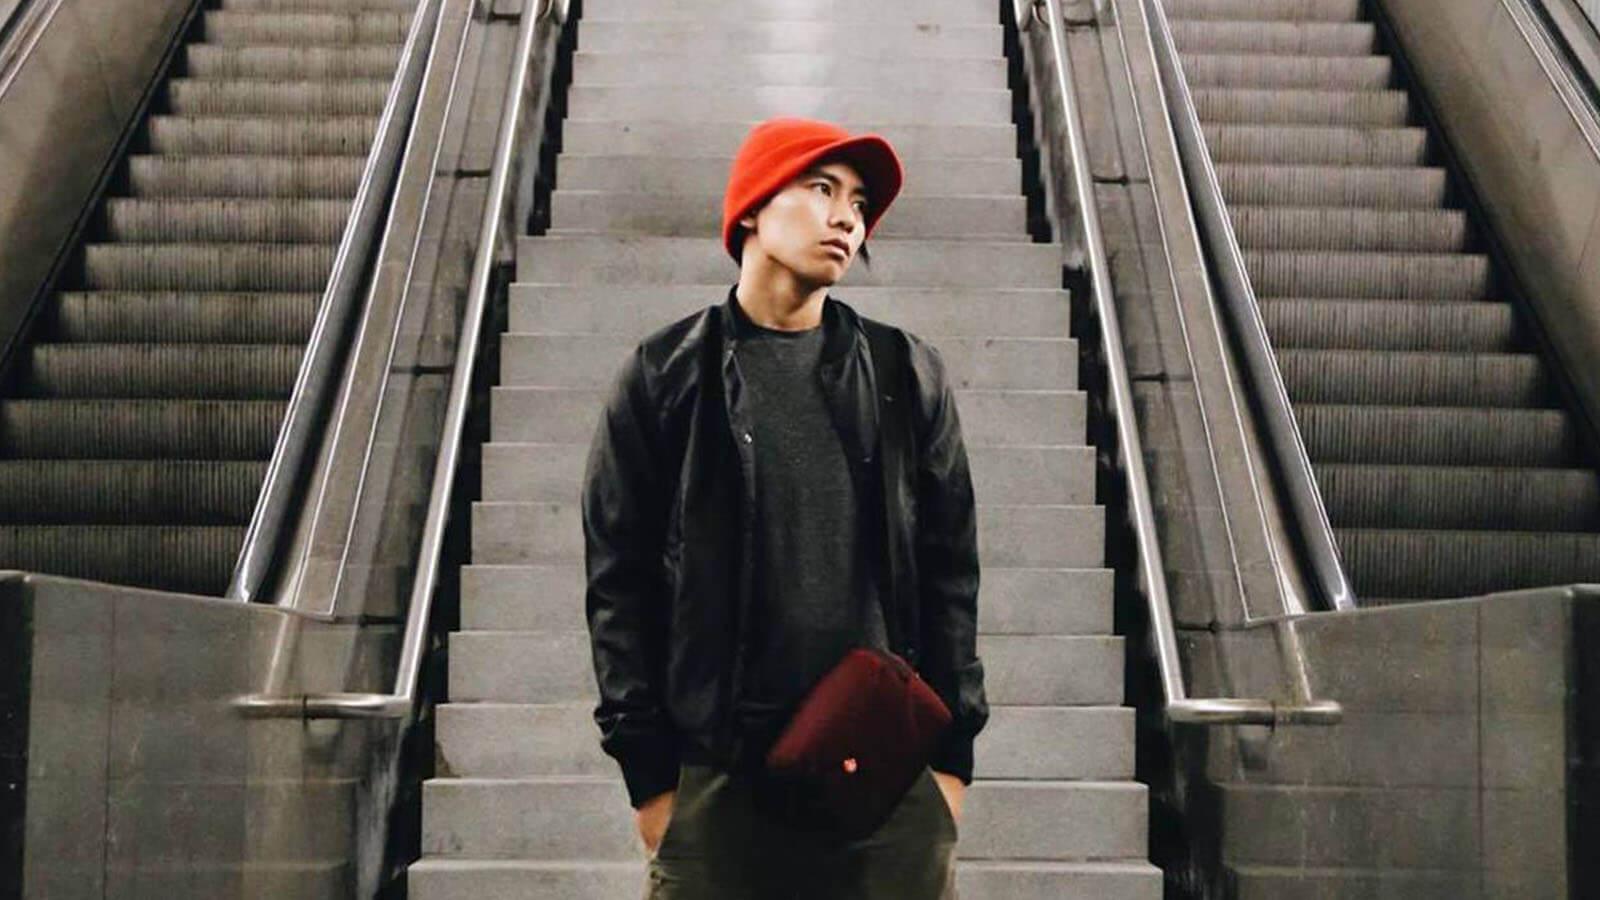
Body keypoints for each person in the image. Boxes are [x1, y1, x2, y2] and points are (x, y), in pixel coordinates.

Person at [581, 117, 988, 899]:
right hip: (719, 776)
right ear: (752, 210)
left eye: (859, 202)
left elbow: (951, 572)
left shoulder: (905, 373)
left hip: (885, 771)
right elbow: (618, 582)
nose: (847, 218)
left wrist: (950, 766)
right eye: (821, 188)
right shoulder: (665, 377)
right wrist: (652, 780)